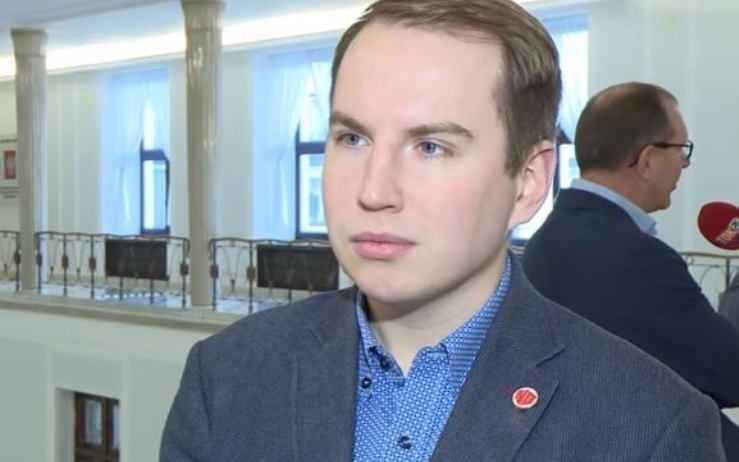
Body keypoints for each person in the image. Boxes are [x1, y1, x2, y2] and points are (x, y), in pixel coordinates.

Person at [160, 3, 725, 461]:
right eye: (352, 139)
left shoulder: (653, 427)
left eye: (431, 146)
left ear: (528, 182)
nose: (374, 190)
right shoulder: (226, 377)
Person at [523, 81, 739, 459]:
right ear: (648, 159)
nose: (685, 163)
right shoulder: (637, 257)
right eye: (681, 150)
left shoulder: (547, 239)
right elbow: (731, 372)